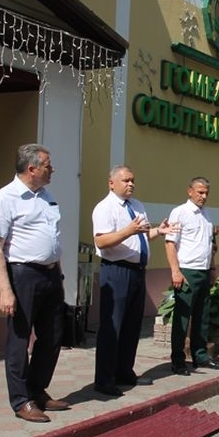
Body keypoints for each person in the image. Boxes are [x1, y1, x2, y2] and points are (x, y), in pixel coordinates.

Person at [0, 144, 69, 423]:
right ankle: (21, 400)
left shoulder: (47, 197)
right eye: (48, 164)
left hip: (50, 275)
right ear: (31, 168)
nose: (52, 169)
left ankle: (37, 389)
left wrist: (59, 274)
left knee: (53, 335)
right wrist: (5, 290)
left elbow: (53, 240)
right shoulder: (5, 198)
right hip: (23, 275)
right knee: (20, 339)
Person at [92, 166, 176, 397]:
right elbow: (101, 241)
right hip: (116, 271)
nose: (131, 184)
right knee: (112, 327)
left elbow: (142, 235)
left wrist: (159, 231)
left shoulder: (137, 206)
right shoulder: (105, 208)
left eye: (133, 180)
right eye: (126, 180)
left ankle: (124, 371)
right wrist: (128, 231)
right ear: (111, 183)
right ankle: (104, 379)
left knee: (131, 325)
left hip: (137, 271)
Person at [164, 177, 219, 375]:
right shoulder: (180, 212)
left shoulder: (207, 215)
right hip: (187, 271)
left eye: (206, 192)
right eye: (200, 192)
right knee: (182, 318)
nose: (203, 196)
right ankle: (178, 360)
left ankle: (200, 357)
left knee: (202, 316)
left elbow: (209, 245)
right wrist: (175, 271)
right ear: (189, 191)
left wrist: (212, 270)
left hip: (204, 271)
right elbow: (170, 243)